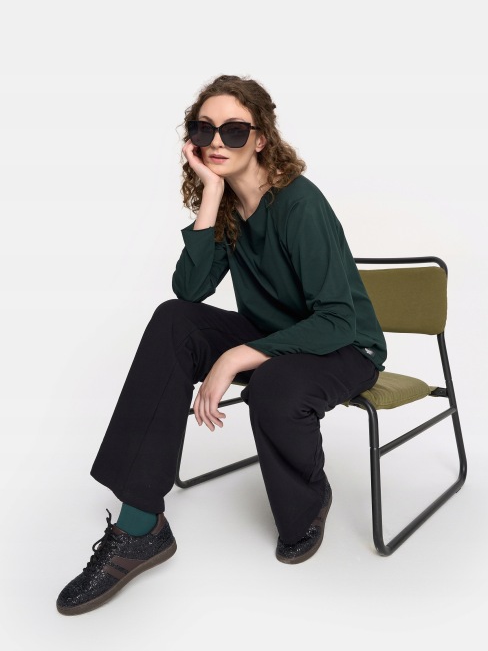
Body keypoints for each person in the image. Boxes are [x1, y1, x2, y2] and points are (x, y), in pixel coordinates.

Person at [56, 74, 387, 616]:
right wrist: (211, 194)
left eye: (233, 130)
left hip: (345, 347)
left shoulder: (299, 203)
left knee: (274, 384)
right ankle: (140, 525)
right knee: (174, 321)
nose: (216, 140)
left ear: (261, 138)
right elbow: (189, 291)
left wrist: (235, 356)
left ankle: (308, 501)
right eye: (203, 129)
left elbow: (336, 319)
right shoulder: (229, 206)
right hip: (276, 339)